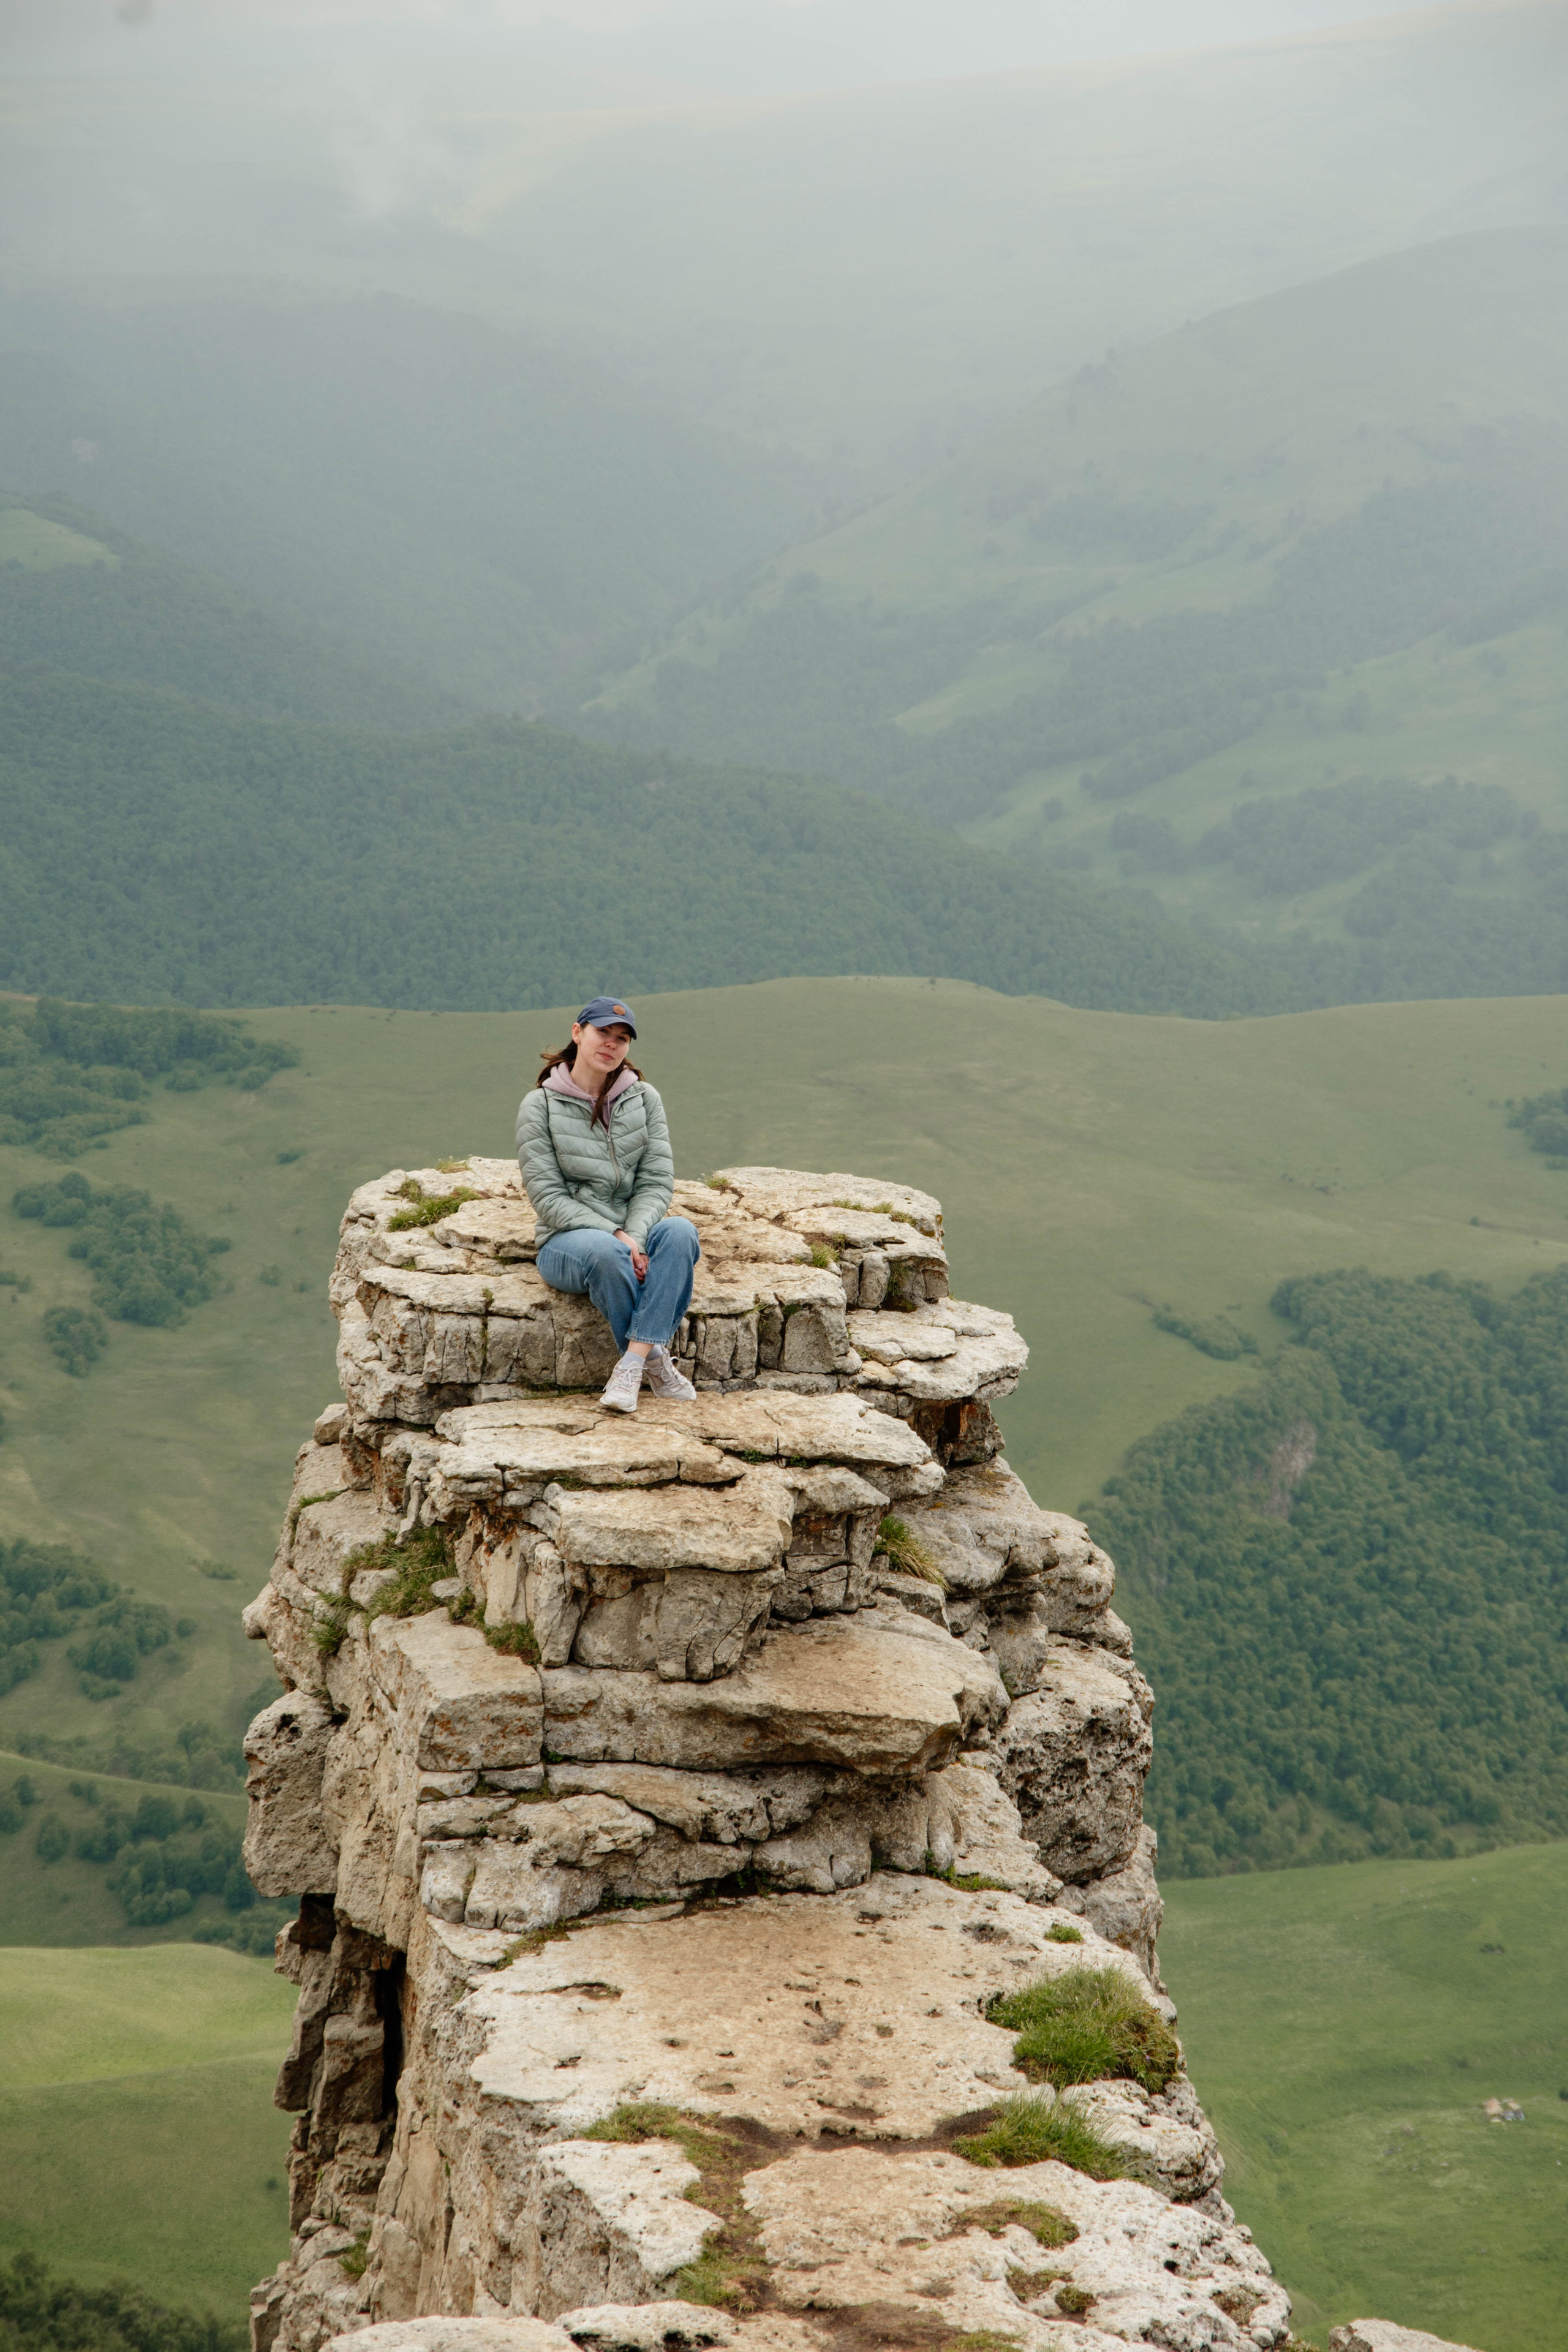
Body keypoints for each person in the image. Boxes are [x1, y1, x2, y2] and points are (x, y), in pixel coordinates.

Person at [516, 995, 701, 1414]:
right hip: (569, 1242)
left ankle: (634, 1362)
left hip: (631, 1232)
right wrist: (616, 1235)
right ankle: (657, 1361)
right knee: (607, 1250)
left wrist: (635, 1236)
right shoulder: (540, 1106)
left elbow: (655, 1181)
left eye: (622, 1038)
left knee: (680, 1233)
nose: (611, 1044)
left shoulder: (645, 1098)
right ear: (578, 1033)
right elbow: (548, 1198)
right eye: (603, 1032)